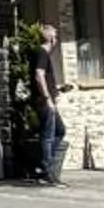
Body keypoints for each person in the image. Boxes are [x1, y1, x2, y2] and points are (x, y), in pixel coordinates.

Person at [29, 24, 65, 185]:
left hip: (47, 99)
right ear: (50, 38)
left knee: (59, 131)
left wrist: (57, 89)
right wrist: (47, 98)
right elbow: (39, 75)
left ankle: (45, 166)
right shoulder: (42, 53)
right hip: (44, 102)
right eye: (55, 36)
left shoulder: (42, 54)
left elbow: (43, 78)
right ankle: (46, 171)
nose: (56, 40)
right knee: (48, 136)